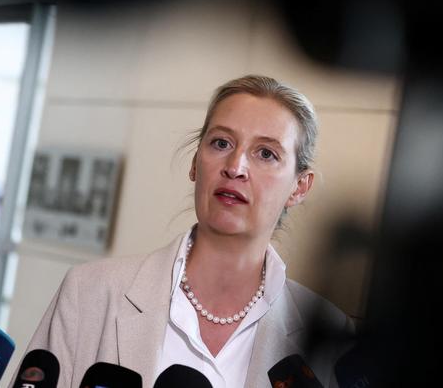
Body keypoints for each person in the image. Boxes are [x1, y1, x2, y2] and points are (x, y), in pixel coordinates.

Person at [23, 75, 352, 387]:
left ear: (299, 187)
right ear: (195, 163)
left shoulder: (332, 334)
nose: (235, 167)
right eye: (221, 143)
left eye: (266, 153)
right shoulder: (89, 293)